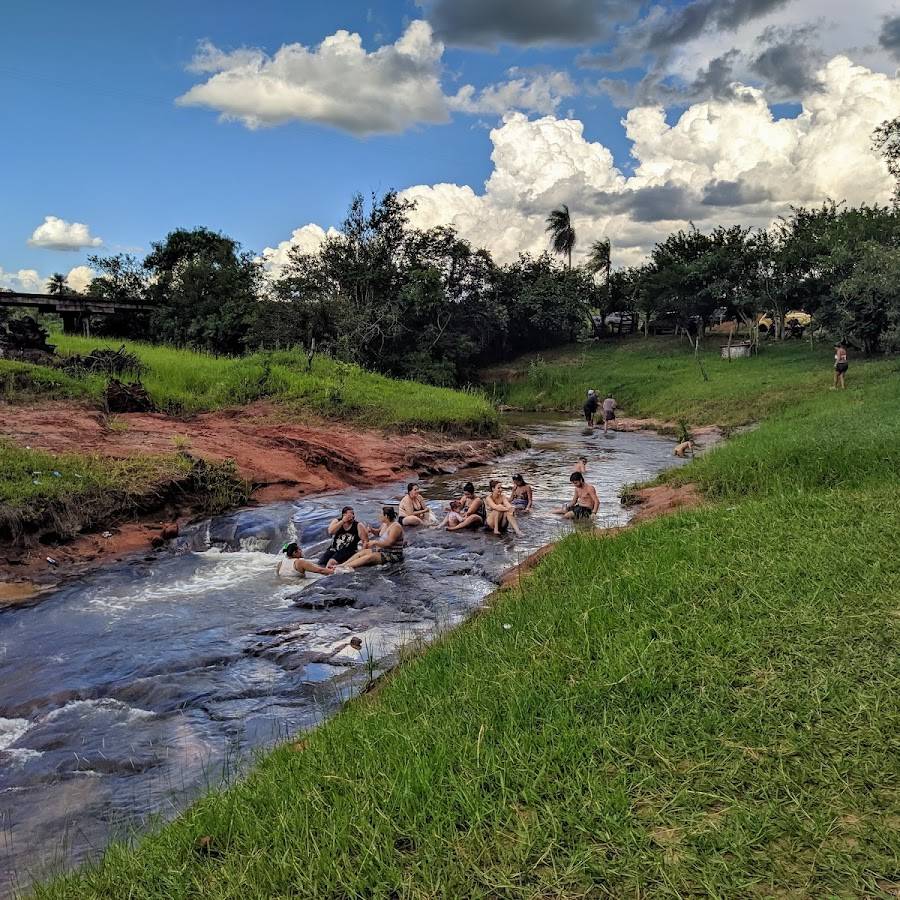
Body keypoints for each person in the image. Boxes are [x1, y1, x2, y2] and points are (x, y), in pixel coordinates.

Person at [337, 507, 405, 569]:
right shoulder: (385, 524)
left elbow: (389, 543)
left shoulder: (396, 527)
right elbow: (379, 533)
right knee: (363, 552)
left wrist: (374, 542)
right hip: (383, 551)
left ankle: (346, 567)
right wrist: (372, 530)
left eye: (381, 515)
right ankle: (343, 565)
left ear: (386, 516)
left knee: (370, 557)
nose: (379, 516)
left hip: (394, 555)